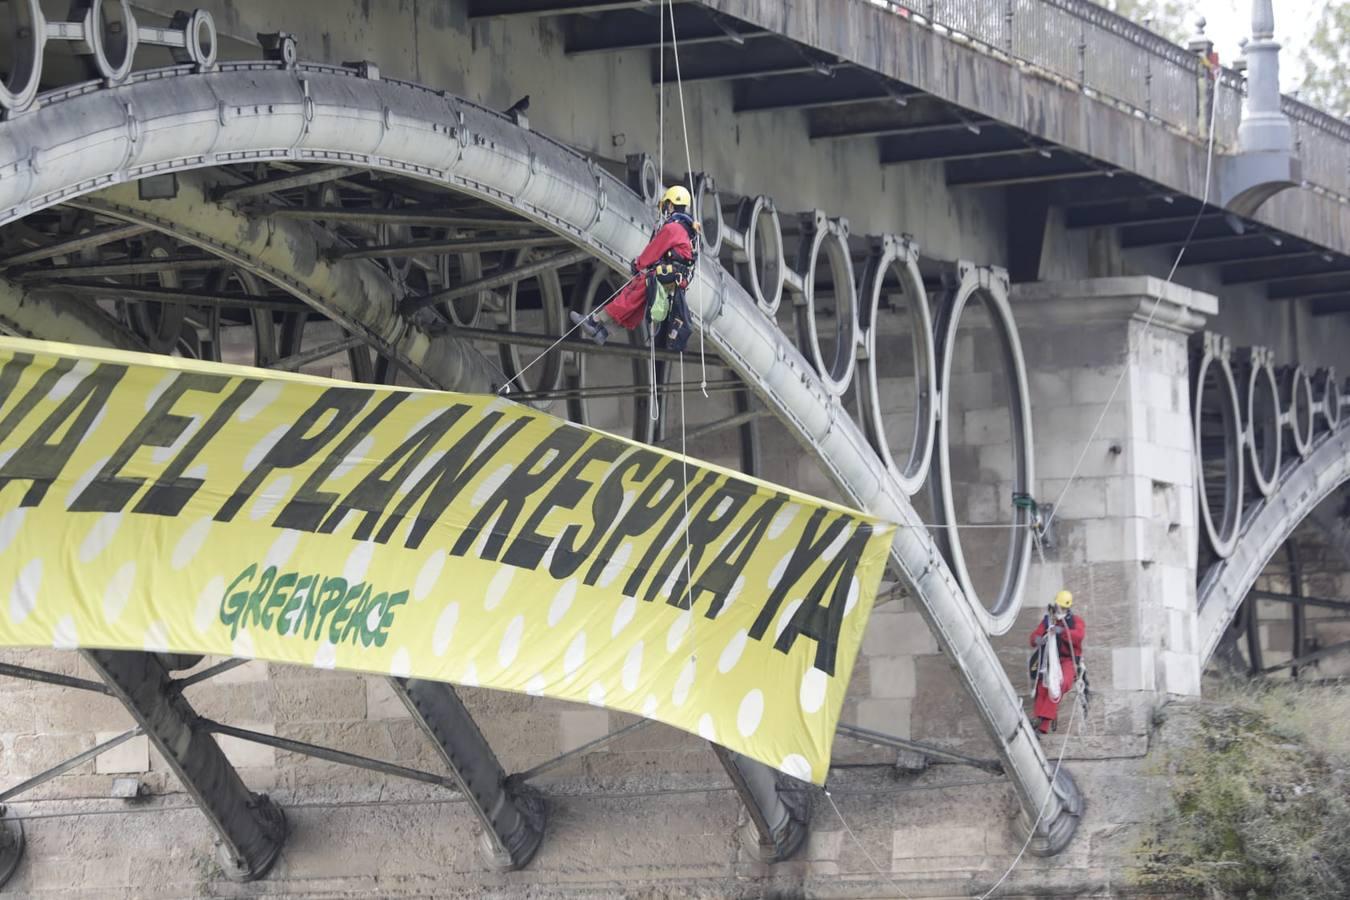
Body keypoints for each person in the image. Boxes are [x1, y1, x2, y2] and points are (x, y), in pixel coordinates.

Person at [571, 185, 698, 346]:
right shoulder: (687, 230)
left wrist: (638, 264)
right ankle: (604, 332)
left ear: (671, 205)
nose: (666, 209)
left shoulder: (673, 228)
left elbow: (654, 249)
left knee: (632, 294)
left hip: (665, 275)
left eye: (667, 205)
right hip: (675, 279)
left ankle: (594, 321)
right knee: (637, 306)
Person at [1028, 589, 1085, 735]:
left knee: (1060, 684)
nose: (1061, 609)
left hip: (1067, 661)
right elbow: (1034, 636)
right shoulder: (1048, 620)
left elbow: (1078, 636)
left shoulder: (1075, 622)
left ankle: (1041, 721)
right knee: (1042, 688)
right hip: (1049, 660)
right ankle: (1040, 726)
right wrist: (1037, 639)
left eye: (1063, 607)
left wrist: (1063, 631)